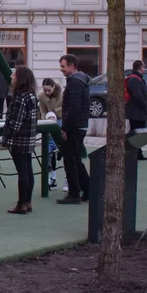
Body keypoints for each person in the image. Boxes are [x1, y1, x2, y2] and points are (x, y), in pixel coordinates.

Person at [2, 66, 39, 215]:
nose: (11, 76)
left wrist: (7, 136)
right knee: (28, 170)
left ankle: (21, 203)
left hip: (19, 139)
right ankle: (27, 201)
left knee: (22, 171)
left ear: (20, 78)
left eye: (14, 74)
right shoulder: (31, 95)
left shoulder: (20, 97)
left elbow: (16, 122)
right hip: (29, 137)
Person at [57, 54, 91, 205]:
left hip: (75, 126)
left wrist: (65, 127)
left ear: (72, 66)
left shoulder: (75, 83)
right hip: (79, 125)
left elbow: (73, 108)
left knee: (70, 159)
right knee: (76, 159)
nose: (61, 69)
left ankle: (74, 193)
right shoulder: (79, 81)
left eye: (63, 66)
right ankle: (88, 190)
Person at [38, 78, 64, 189]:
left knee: (64, 150)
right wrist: (46, 121)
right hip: (49, 121)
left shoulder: (62, 94)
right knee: (48, 150)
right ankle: (52, 178)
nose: (47, 93)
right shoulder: (41, 96)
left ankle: (68, 179)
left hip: (61, 120)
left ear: (54, 86)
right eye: (45, 90)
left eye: (49, 90)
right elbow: (42, 110)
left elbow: (65, 109)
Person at [126, 60, 147, 161]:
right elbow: (137, 95)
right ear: (140, 68)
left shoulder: (138, 79)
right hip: (136, 112)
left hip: (138, 111)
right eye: (144, 67)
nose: (144, 69)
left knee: (138, 133)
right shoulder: (134, 79)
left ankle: (138, 153)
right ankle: (133, 154)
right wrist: (145, 105)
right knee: (136, 133)